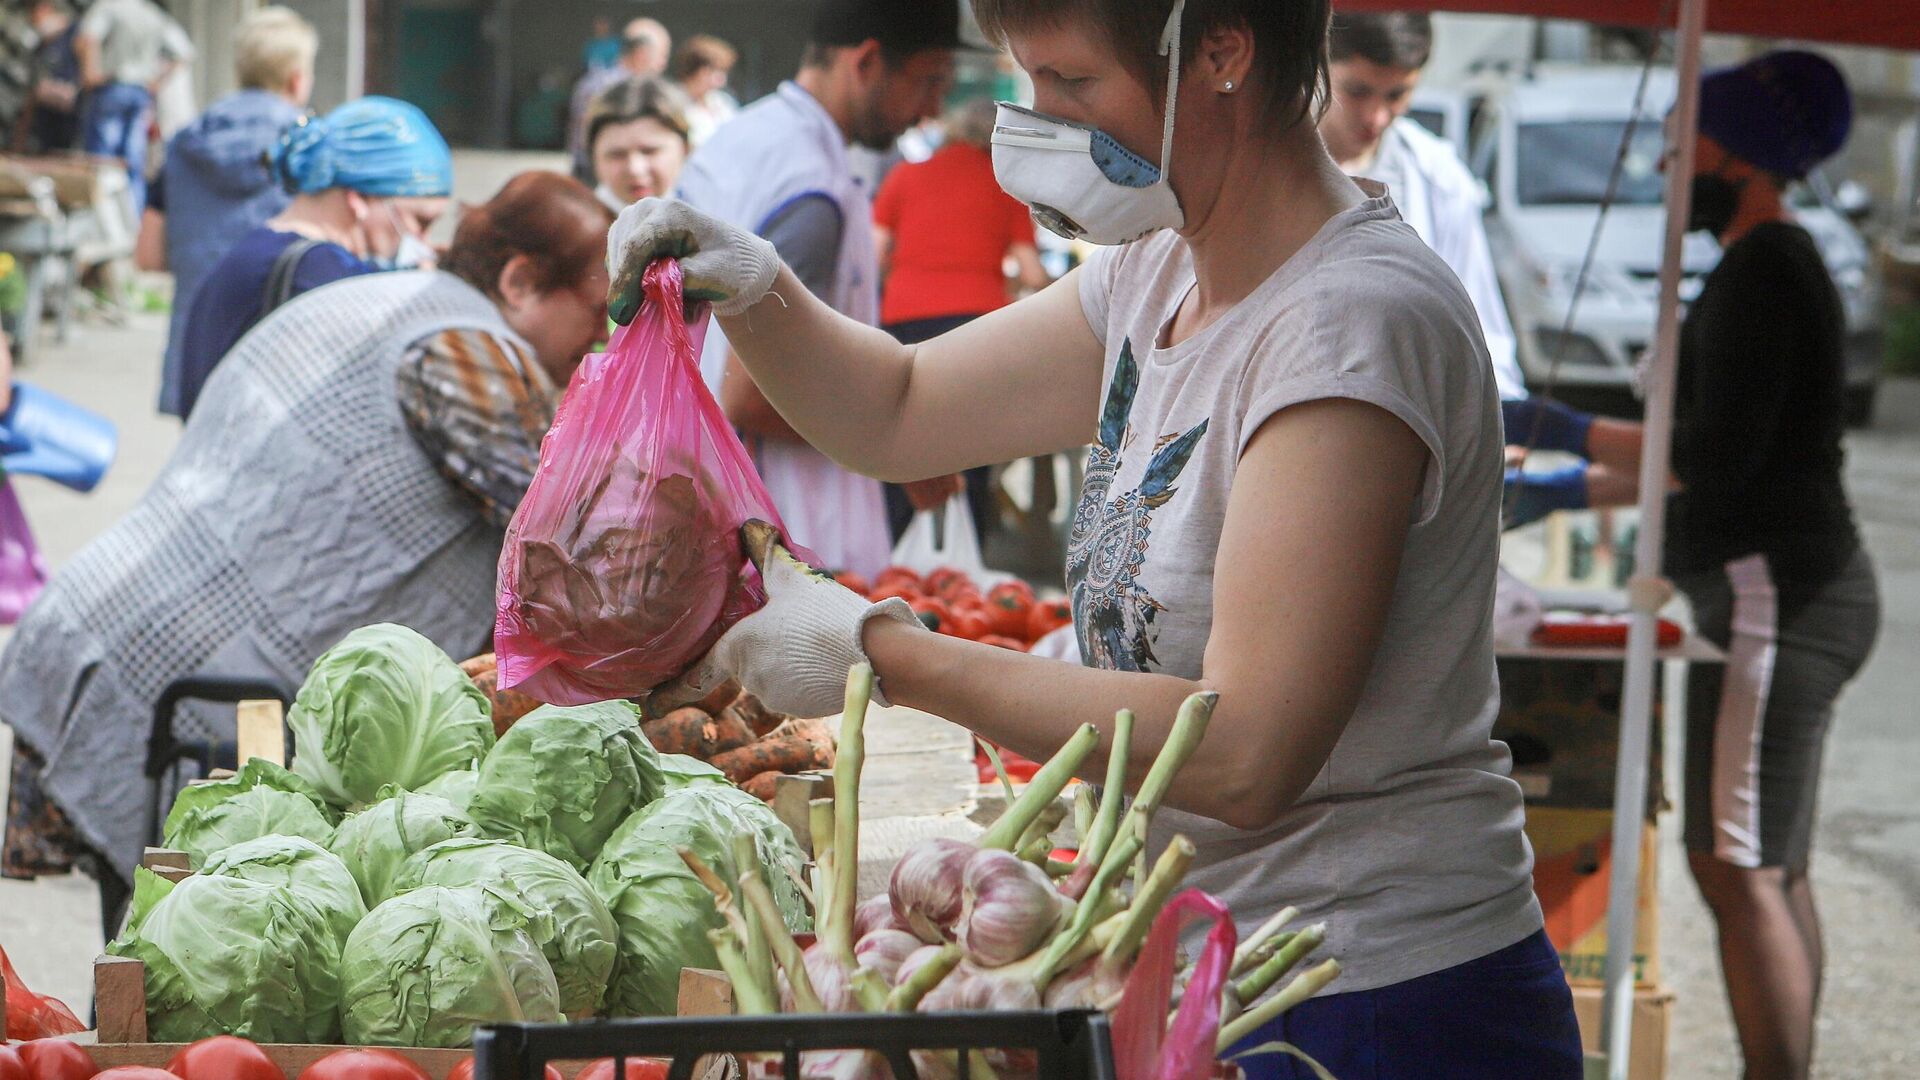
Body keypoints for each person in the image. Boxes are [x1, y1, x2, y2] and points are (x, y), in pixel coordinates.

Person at [609, 0, 1581, 1074]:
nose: (1040, 119)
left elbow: (1249, 750)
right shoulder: (1157, 269)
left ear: (1220, 52)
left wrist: (881, 653)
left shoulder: (1348, 327)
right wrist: (752, 283)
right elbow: (898, 405)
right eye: (1030, 79)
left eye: (1071, 82)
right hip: (1215, 965)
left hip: (1377, 996)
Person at [0, 171, 613, 932]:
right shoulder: (468, 347)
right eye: (594, 316)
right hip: (186, 688)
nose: (599, 343)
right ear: (520, 280)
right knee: (175, 958)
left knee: (156, 949)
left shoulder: (381, 297)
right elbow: (565, 541)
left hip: (110, 641)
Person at [1504, 52, 1880, 1080]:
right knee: (1771, 865)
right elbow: (1697, 444)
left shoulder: (1767, 269)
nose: (1670, 162)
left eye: (1684, 144)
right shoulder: (1768, 261)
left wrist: (1568, 455)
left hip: (1776, 597)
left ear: (1737, 154)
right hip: (1791, 589)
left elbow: (1707, 462)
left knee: (1736, 867)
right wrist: (1573, 437)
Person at [669, 0, 958, 580]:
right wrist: (893, 445)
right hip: (780, 525)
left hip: (706, 487)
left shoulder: (747, 136)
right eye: (927, 83)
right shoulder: (811, 190)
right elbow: (749, 395)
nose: (931, 110)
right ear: (869, 61)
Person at [172, 96, 453, 419]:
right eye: (421, 222)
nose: (423, 242)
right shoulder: (323, 276)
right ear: (359, 197)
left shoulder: (249, 253)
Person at [872, 96, 1051, 541]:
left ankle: (897, 547)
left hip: (906, 321)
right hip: (979, 326)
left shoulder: (905, 175)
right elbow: (1030, 272)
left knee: (907, 441)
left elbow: (873, 256)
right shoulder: (1005, 187)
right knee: (970, 446)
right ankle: (966, 558)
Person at [1320, 12, 1523, 401]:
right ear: (1318, 64)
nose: (1376, 117)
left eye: (1396, 95)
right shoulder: (1262, 161)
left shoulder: (1439, 179)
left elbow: (1480, 329)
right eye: (1358, 91)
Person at [136, 6, 317, 419]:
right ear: (297, 78)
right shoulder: (314, 149)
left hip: (197, 357)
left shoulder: (185, 144)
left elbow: (149, 255)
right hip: (284, 362)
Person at [73, 0, 194, 216]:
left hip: (111, 87)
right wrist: (156, 82)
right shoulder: (152, 13)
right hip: (139, 91)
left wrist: (90, 73)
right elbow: (183, 52)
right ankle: (133, 222)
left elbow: (87, 38)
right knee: (133, 162)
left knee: (103, 160)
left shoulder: (108, 7)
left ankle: (102, 221)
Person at [568, 18, 672, 180]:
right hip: (597, 174)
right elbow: (587, 135)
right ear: (641, 54)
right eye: (661, 56)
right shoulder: (605, 87)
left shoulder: (601, 81)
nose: (662, 65)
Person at [585, 77, 692, 214]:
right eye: (617, 155)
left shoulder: (712, 225)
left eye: (649, 151)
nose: (635, 169)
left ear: (685, 149)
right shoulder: (570, 231)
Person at [18, 0, 82, 153]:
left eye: (33, 12)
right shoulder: (39, 48)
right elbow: (32, 94)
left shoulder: (77, 35)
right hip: (45, 126)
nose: (31, 19)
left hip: (72, 123)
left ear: (45, 8)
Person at [672, 34, 740, 146]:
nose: (722, 78)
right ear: (699, 70)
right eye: (717, 71)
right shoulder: (672, 103)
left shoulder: (722, 101)